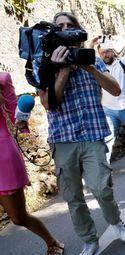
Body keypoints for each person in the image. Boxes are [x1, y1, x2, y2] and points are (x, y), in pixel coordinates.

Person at [38, 12, 125, 255]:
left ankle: (115, 220)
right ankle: (89, 239)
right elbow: (47, 103)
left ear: (78, 31)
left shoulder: (92, 59)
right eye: (61, 27)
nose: (66, 30)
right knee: (73, 197)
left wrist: (89, 67)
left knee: (101, 188)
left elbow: (116, 88)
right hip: (63, 138)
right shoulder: (44, 63)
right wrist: (63, 71)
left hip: (92, 134)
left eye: (71, 26)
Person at [0, 72, 64, 255]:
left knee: (18, 218)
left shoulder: (2, 80)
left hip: (2, 160)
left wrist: (21, 120)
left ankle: (52, 242)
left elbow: (15, 114)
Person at [90, 38, 125, 167]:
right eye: (102, 52)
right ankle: (106, 163)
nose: (105, 54)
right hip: (108, 109)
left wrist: (123, 42)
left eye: (108, 51)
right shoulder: (98, 67)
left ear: (113, 51)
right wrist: (91, 45)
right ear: (99, 54)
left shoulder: (122, 63)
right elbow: (86, 59)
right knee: (108, 137)